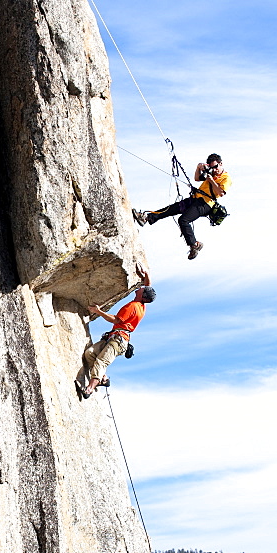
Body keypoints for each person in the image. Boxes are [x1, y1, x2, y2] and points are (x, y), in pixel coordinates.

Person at [76, 263, 155, 399]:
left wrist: (98, 311)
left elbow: (116, 320)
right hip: (114, 337)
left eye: (142, 289)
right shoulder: (141, 305)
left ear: (142, 296)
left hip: (118, 340)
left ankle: (89, 389)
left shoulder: (134, 307)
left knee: (101, 362)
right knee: (90, 353)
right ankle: (103, 378)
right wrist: (146, 274)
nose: (140, 288)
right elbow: (148, 286)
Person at [132, 154, 232, 259]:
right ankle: (147, 218)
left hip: (206, 204)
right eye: (212, 167)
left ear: (221, 164)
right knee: (172, 208)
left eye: (216, 167)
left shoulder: (226, 178)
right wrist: (198, 167)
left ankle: (194, 245)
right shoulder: (211, 173)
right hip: (196, 198)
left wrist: (211, 180)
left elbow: (221, 193)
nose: (215, 170)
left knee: (183, 220)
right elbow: (197, 178)